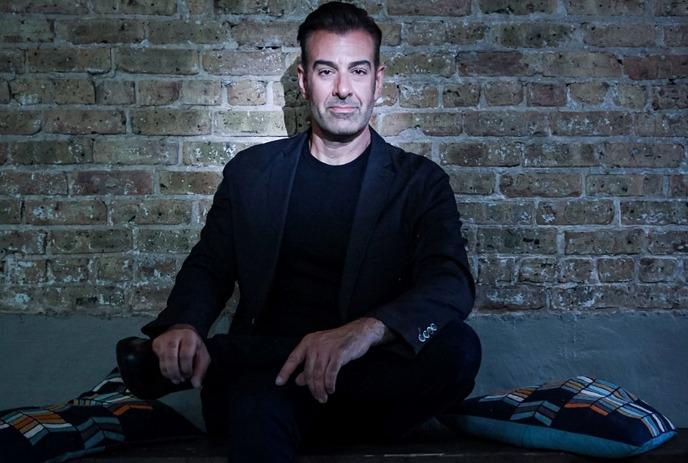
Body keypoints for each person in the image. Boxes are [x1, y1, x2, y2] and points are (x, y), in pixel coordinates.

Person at [117, 2, 481, 461]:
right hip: (273, 383)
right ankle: (229, 364)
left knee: (458, 349)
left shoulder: (420, 182)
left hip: (365, 378)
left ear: (379, 81)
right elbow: (210, 266)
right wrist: (184, 324)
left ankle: (219, 363)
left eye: (359, 71)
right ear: (305, 81)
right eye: (327, 71)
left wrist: (361, 332)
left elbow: (450, 282)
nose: (344, 89)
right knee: (259, 401)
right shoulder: (252, 173)